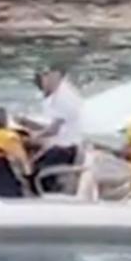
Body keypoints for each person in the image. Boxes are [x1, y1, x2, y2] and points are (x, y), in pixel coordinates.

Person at [19, 64, 84, 193]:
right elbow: (54, 124)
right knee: (33, 162)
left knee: (34, 172)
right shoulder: (59, 95)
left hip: (65, 148)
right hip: (61, 144)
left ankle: (46, 195)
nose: (41, 85)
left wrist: (34, 137)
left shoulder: (64, 98)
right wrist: (28, 124)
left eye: (43, 79)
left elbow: (53, 130)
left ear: (55, 75)